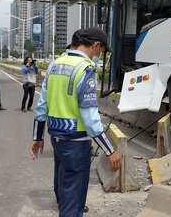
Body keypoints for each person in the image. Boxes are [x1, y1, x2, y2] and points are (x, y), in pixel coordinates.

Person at [30, 27, 121, 217]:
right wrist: (110, 150)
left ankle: (64, 204)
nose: (100, 54)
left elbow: (41, 107)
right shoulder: (86, 70)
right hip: (76, 143)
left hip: (56, 138)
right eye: (101, 50)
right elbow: (90, 119)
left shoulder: (54, 65)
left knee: (63, 180)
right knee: (74, 199)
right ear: (96, 45)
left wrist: (37, 137)